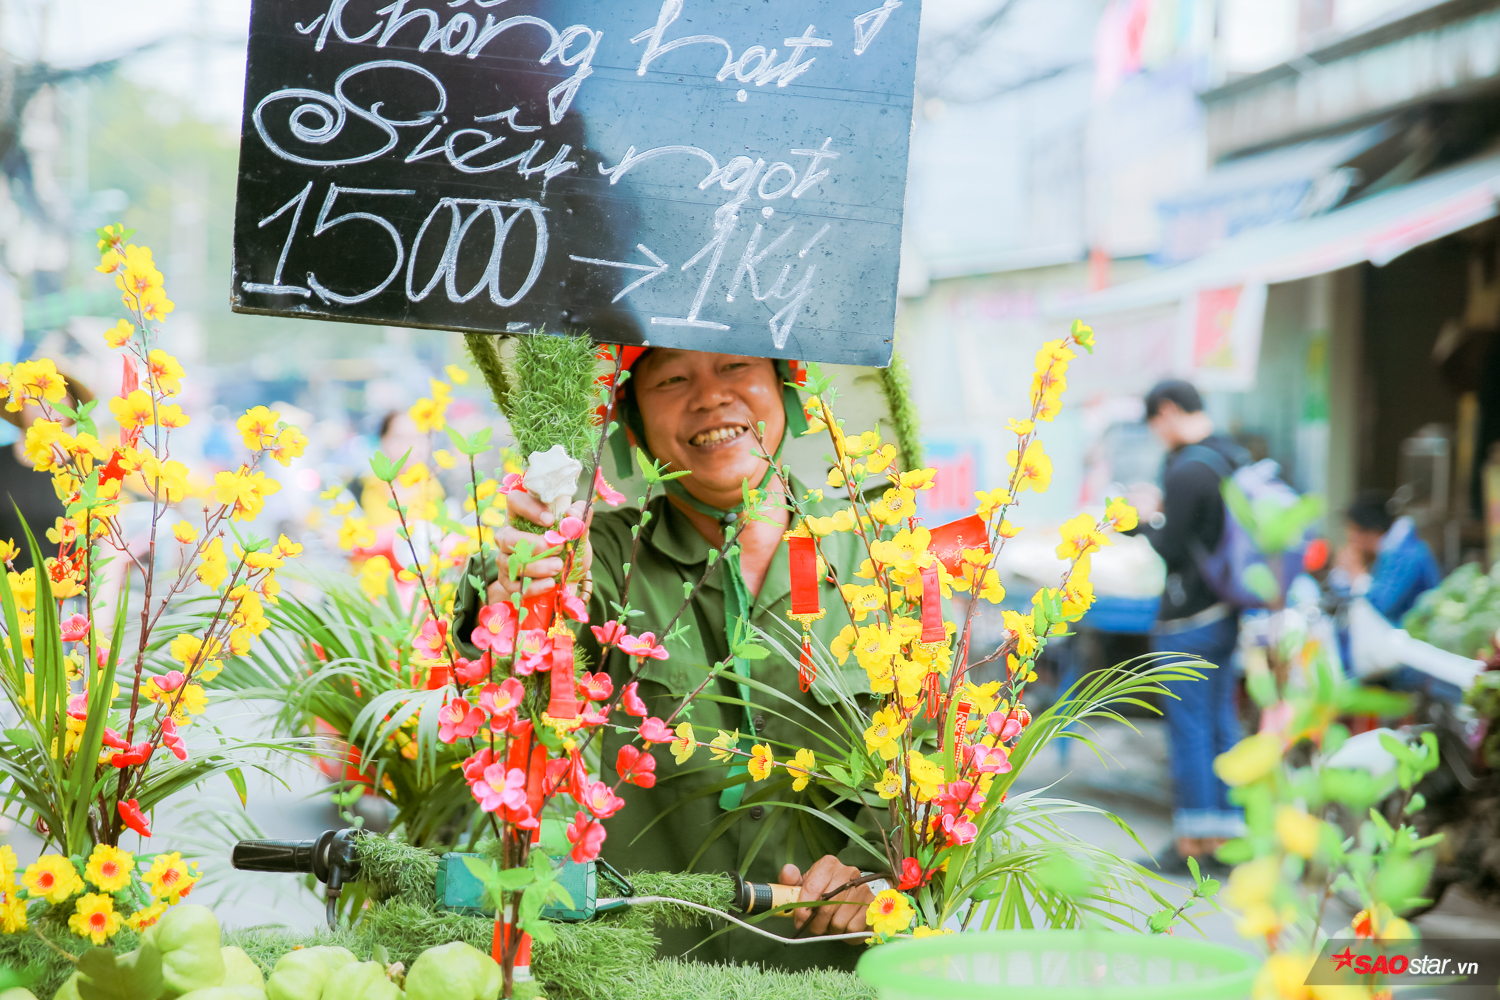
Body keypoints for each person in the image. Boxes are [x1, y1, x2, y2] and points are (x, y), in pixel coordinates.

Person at [478, 349, 878, 971]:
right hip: (647, 972)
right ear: (633, 422)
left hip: (834, 974)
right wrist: (522, 582)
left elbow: (932, 775)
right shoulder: (607, 557)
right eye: (672, 379)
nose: (710, 397)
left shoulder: (879, 564)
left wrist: (877, 880)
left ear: (786, 382)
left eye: (736, 366)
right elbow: (519, 651)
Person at [1130, 379, 1249, 875]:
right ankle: (1230, 837)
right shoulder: (1232, 458)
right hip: (1227, 611)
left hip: (1188, 619)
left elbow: (1172, 546)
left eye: (1156, 424)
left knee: (1191, 729)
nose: (1159, 435)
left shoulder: (1186, 471)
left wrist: (1140, 519)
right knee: (1221, 722)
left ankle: (1195, 842)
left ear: (1169, 411)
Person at [0, 369, 92, 570]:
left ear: (71, 408)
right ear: (20, 405)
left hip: (69, 596)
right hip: (6, 595)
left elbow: (107, 540)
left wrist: (103, 599)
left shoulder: (89, 465)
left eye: (57, 397)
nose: (46, 406)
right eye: (37, 397)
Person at [1333, 491, 1442, 626]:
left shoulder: (1406, 554)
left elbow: (1382, 605)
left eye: (1352, 530)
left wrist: (1358, 576)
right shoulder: (1393, 550)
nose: (1350, 538)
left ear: (1371, 530)